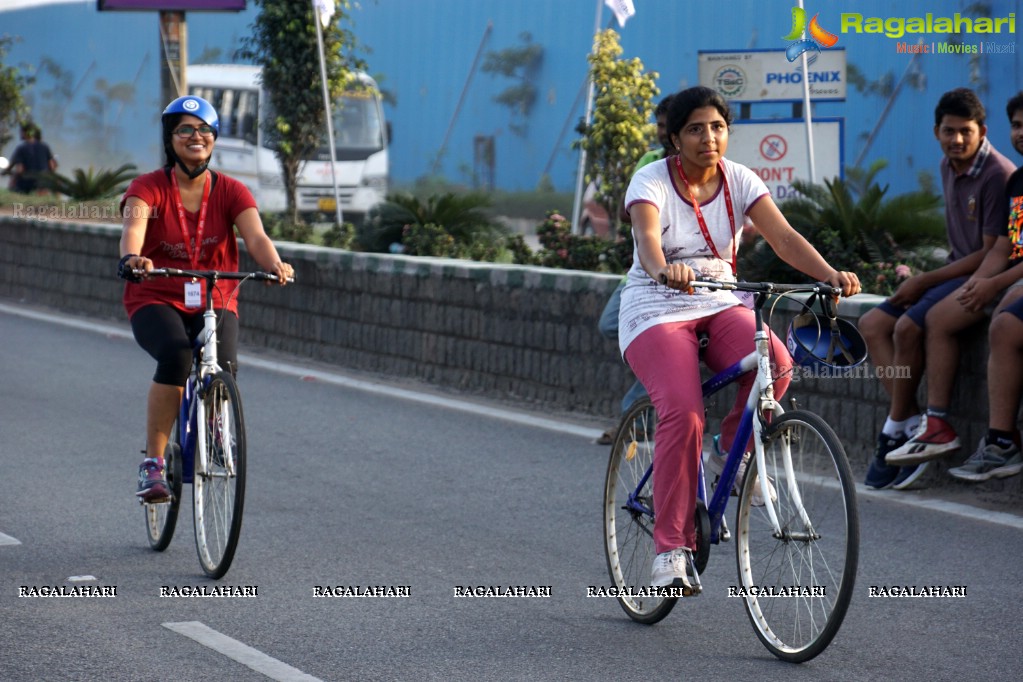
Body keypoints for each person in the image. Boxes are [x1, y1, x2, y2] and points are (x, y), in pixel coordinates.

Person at [619, 86, 859, 590]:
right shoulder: (651, 181)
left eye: (718, 127)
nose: (709, 138)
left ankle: (731, 449)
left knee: (778, 362)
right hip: (656, 305)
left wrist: (829, 273)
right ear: (675, 137)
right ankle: (670, 549)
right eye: (695, 129)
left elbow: (785, 238)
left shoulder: (741, 179)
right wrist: (666, 271)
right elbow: (646, 241)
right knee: (683, 413)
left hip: (721, 299)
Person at [118, 95, 294, 502]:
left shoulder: (232, 190)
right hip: (156, 295)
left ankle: (216, 425)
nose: (195, 137)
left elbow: (257, 237)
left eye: (204, 131)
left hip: (215, 298)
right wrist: (133, 258)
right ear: (170, 139)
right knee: (178, 356)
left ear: (213, 139)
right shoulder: (147, 188)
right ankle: (154, 465)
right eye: (185, 130)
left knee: (225, 367)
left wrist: (275, 265)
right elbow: (133, 230)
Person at [860, 88, 1015, 490]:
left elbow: (991, 252)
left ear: (982, 131)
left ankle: (916, 425)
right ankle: (909, 419)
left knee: (913, 326)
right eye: (949, 131)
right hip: (953, 273)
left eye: (966, 131)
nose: (957, 140)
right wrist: (927, 279)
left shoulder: (999, 175)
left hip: (977, 276)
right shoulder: (949, 166)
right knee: (873, 322)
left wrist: (924, 280)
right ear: (936, 132)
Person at [943, 92, 1023, 482]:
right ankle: (1002, 442)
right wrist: (987, 284)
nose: (1021, 133)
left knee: (1006, 322)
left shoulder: (999, 173)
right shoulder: (1019, 182)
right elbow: (1011, 247)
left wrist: (1001, 284)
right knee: (1004, 324)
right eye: (1018, 125)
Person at [596, 94, 676, 445]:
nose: (659, 132)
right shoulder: (650, 163)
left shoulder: (716, 170)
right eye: (658, 125)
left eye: (665, 125)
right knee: (610, 325)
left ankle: (635, 417)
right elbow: (626, 215)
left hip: (688, 278)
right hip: (643, 273)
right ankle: (655, 385)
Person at [9, 122, 57, 194]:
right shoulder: (45, 146)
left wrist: (10, 176)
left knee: (14, 182)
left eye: (21, 132)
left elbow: (20, 169)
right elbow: (52, 166)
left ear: (25, 133)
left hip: (27, 184)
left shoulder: (21, 148)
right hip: (43, 183)